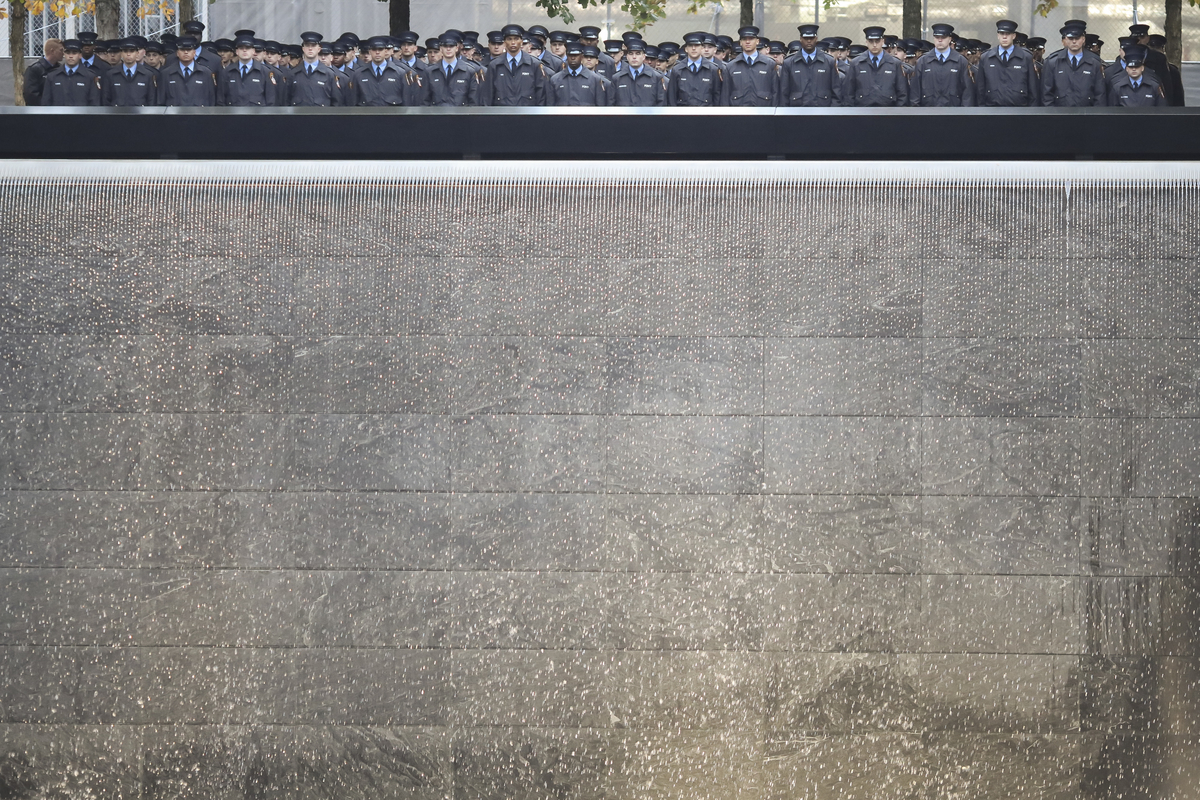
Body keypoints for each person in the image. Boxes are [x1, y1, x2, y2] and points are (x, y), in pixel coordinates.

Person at [974, 19, 1039, 106]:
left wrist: (1031, 114)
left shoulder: (1025, 57)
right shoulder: (986, 57)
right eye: (1001, 33)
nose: (1004, 37)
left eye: (1008, 34)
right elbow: (980, 89)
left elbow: (1033, 89)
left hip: (1019, 111)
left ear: (1014, 36)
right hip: (992, 110)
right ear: (998, 35)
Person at [1041, 23, 1107, 106]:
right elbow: (1047, 94)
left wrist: (1095, 117)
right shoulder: (1053, 62)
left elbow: (1100, 95)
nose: (1074, 41)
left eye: (1077, 38)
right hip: (1060, 114)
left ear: (1083, 39)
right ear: (1065, 39)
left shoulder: (1094, 63)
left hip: (1087, 114)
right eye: (1070, 38)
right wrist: (1053, 116)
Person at [909, 23, 974, 106]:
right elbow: (915, 91)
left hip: (953, 113)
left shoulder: (960, 61)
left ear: (950, 39)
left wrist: (964, 115)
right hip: (928, 113)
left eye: (943, 37)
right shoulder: (923, 61)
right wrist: (917, 113)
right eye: (937, 37)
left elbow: (967, 92)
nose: (940, 40)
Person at [779, 24, 843, 107]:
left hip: (823, 112)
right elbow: (784, 93)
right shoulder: (789, 62)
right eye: (805, 38)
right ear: (801, 39)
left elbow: (836, 91)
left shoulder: (828, 61)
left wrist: (832, 114)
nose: (809, 41)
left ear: (816, 39)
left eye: (812, 38)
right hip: (796, 112)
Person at [844, 26, 908, 106]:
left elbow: (902, 93)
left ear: (882, 41)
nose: (874, 45)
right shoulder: (856, 63)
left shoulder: (895, 63)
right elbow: (849, 93)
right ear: (866, 42)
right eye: (871, 41)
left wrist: (897, 114)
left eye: (877, 41)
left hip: (888, 112)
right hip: (862, 112)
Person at [487, 24, 548, 106]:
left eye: (516, 39)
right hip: (501, 114)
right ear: (504, 42)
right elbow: (487, 96)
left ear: (521, 41)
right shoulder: (495, 65)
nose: (513, 42)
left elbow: (540, 95)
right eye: (509, 39)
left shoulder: (534, 64)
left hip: (527, 114)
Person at [721, 25, 779, 106]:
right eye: (744, 39)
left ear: (757, 41)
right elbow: (725, 95)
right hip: (738, 113)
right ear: (740, 42)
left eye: (751, 39)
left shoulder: (769, 64)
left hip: (764, 112)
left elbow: (775, 92)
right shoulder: (731, 66)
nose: (747, 42)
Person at [221, 34, 279, 106]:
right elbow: (221, 100)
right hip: (234, 115)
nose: (244, 50)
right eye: (241, 48)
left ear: (253, 51)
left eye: (248, 48)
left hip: (256, 116)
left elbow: (270, 101)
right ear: (237, 51)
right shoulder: (227, 72)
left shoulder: (265, 72)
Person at [427, 32, 484, 106]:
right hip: (437, 115)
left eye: (451, 46)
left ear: (457, 48)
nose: (448, 49)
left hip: (461, 115)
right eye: (445, 46)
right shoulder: (430, 71)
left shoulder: (469, 71)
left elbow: (473, 101)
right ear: (441, 49)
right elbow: (425, 100)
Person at [159, 36, 219, 106]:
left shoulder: (206, 73)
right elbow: (161, 101)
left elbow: (211, 100)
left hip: (198, 114)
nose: (186, 52)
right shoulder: (166, 73)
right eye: (182, 50)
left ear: (194, 53)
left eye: (189, 49)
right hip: (174, 115)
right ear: (177, 53)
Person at [667, 31, 722, 106]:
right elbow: (672, 97)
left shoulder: (713, 69)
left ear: (702, 48)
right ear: (686, 49)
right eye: (690, 45)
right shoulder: (677, 69)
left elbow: (717, 96)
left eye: (697, 45)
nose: (693, 48)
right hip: (683, 114)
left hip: (706, 114)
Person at [289, 31, 344, 106]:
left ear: (319, 49)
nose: (310, 48)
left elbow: (336, 102)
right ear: (303, 48)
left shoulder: (329, 74)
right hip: (299, 116)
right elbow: (286, 100)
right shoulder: (293, 73)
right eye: (307, 45)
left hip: (322, 116)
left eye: (313, 45)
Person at [547, 40, 610, 105]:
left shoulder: (594, 79)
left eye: (576, 55)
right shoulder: (555, 79)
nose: (573, 58)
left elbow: (600, 106)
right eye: (570, 55)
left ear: (582, 57)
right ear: (567, 56)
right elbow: (550, 106)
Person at [41, 39, 101, 106]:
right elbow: (46, 103)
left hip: (81, 115)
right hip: (58, 115)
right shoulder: (52, 76)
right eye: (68, 52)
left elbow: (94, 103)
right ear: (64, 54)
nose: (71, 56)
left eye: (74, 53)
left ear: (80, 55)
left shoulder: (90, 76)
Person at [609, 38, 666, 106]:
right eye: (631, 53)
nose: (634, 57)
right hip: (624, 116)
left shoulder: (655, 77)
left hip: (648, 116)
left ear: (643, 56)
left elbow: (661, 103)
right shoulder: (617, 78)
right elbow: (611, 104)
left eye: (638, 53)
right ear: (627, 56)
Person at [103, 38, 159, 106]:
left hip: (140, 115)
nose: (128, 54)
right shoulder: (111, 74)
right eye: (125, 51)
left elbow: (151, 100)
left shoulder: (147, 74)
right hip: (117, 114)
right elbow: (106, 100)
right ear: (121, 53)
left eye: (132, 51)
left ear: (137, 53)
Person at [1128, 23, 1174, 104]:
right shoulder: (1125, 57)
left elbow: (1166, 84)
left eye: (1142, 37)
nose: (1139, 40)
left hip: (1153, 100)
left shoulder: (1159, 58)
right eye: (1135, 37)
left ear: (1148, 38)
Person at [1146, 34, 1185, 106]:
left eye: (1157, 48)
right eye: (1152, 48)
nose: (1156, 53)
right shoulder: (1143, 69)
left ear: (1163, 50)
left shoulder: (1172, 71)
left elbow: (1178, 97)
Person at [22, 38, 63, 106]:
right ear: (52, 51)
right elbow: (30, 95)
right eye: (61, 50)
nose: (63, 53)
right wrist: (45, 107)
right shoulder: (34, 70)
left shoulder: (60, 69)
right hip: (41, 111)